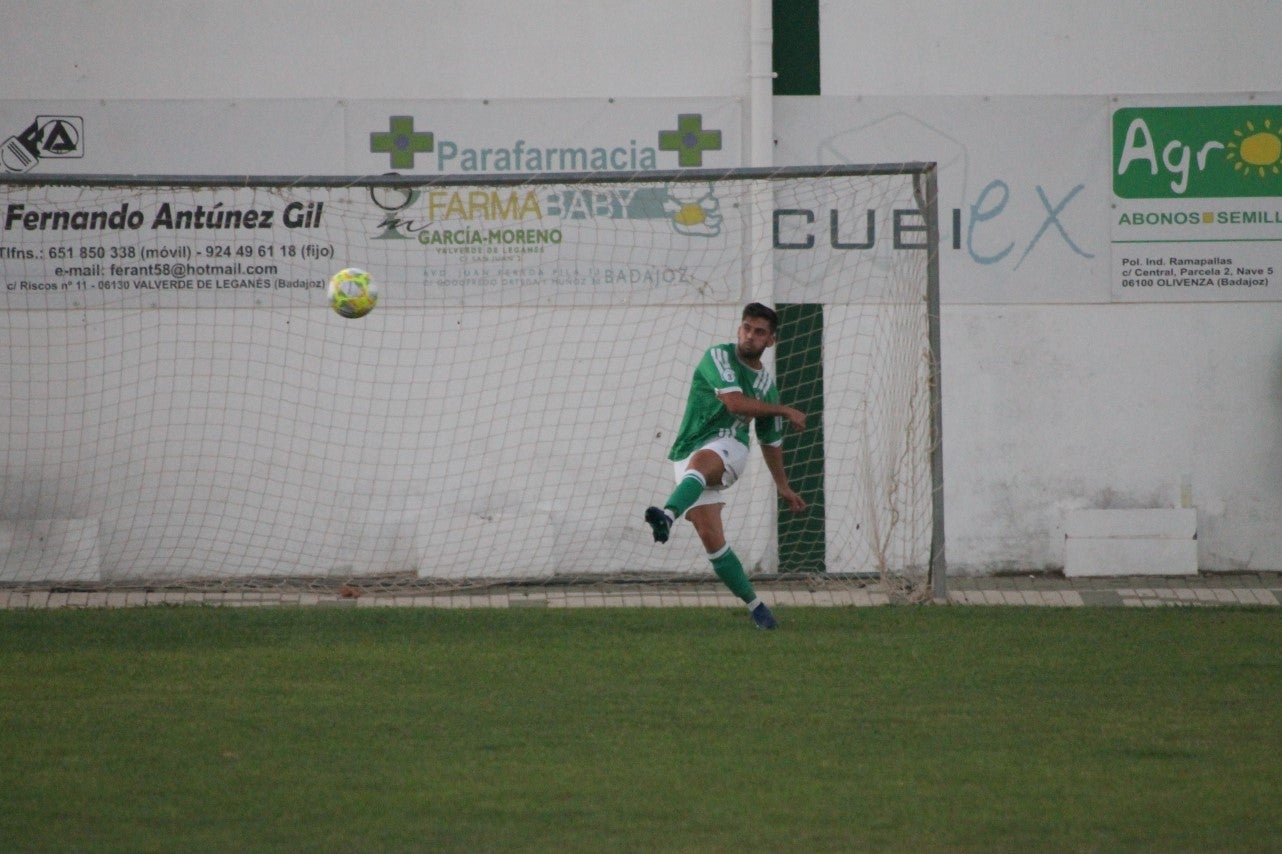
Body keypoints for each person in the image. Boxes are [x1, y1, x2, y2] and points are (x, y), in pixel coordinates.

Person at [645, 302, 807, 630]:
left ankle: (667, 515)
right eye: (746, 328)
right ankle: (758, 608)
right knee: (711, 537)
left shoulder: (766, 386)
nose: (750, 336)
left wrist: (783, 486)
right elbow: (733, 402)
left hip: (730, 447)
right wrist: (783, 410)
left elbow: (770, 443)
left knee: (704, 461)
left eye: (759, 332)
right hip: (686, 450)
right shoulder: (718, 357)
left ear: (771, 341)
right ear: (739, 330)